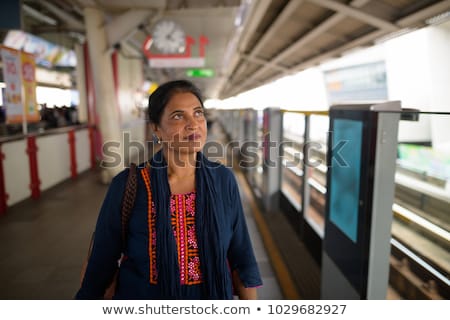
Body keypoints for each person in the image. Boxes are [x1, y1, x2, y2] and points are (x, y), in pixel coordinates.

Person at [76, 79, 262, 299]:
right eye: (178, 116)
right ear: (156, 128)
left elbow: (242, 258)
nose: (193, 124)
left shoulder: (223, 180)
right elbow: (101, 264)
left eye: (198, 113)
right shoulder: (128, 185)